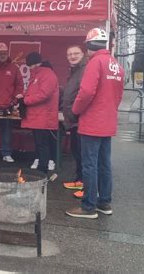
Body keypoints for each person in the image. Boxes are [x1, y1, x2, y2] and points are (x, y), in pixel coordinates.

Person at [66, 28, 124, 219]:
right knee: (104, 164)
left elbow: (86, 93)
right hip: (107, 122)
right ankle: (104, 203)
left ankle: (88, 206)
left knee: (89, 166)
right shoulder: (115, 64)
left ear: (89, 46)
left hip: (92, 123)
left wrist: (75, 111)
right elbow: (118, 95)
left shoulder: (94, 63)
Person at [20, 52, 59, 174]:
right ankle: (41, 170)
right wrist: (23, 96)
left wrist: (25, 100)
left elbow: (44, 94)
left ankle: (43, 171)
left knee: (42, 144)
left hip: (43, 116)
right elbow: (35, 92)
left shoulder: (47, 74)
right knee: (39, 144)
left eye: (32, 65)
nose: (30, 68)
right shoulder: (37, 74)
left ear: (38, 63)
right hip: (38, 116)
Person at [61, 45, 87, 198]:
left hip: (79, 119)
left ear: (82, 54)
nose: (72, 56)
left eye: (76, 53)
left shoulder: (85, 70)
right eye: (69, 54)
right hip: (73, 120)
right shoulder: (74, 71)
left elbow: (84, 94)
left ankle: (84, 183)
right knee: (76, 152)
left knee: (83, 154)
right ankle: (79, 180)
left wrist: (74, 112)